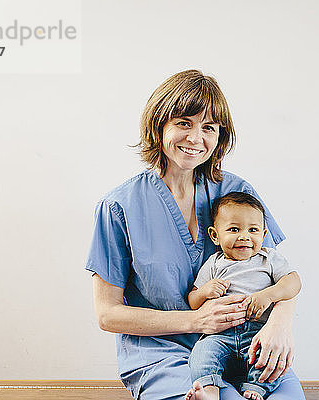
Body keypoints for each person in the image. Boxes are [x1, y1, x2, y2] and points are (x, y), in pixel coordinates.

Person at [85, 69, 305, 400]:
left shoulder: (237, 192)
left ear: (220, 136)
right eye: (184, 123)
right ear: (158, 125)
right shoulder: (119, 207)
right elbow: (107, 314)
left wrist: (279, 326)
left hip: (246, 344)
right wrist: (196, 321)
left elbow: (279, 275)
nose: (195, 138)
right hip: (162, 354)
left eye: (208, 127)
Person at [185, 192, 302, 400]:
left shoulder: (268, 259)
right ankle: (209, 391)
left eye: (253, 230)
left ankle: (256, 389)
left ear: (263, 234)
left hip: (258, 333)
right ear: (215, 235)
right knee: (202, 353)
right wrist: (204, 291)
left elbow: (293, 282)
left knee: (270, 357)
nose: (244, 236)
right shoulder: (214, 263)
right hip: (219, 335)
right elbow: (193, 301)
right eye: (234, 229)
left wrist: (268, 295)